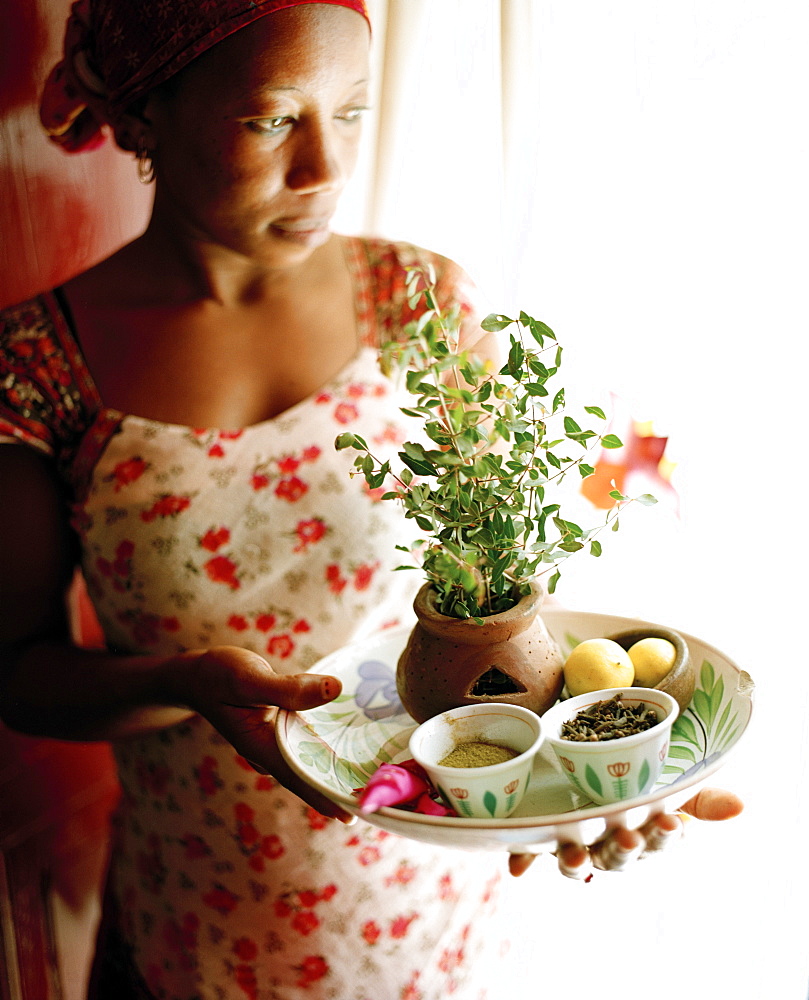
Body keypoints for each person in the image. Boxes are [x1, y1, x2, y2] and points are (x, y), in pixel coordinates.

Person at [0, 1, 742, 997]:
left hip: (436, 924)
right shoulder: (39, 363)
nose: (324, 168)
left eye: (349, 112)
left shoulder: (423, 307)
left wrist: (582, 780)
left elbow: (508, 618)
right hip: (198, 933)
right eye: (270, 120)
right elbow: (17, 672)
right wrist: (182, 684)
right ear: (144, 117)